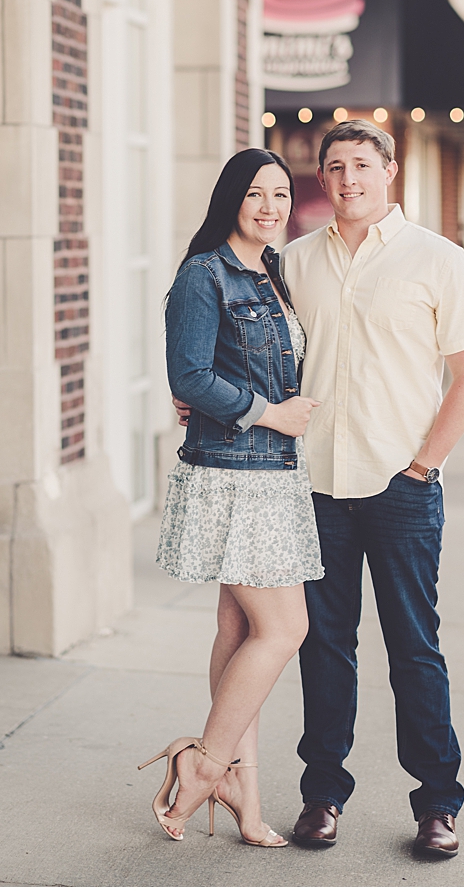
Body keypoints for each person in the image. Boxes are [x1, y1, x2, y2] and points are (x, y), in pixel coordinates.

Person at [282, 119, 464, 858]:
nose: (348, 179)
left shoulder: (437, 260)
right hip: (314, 485)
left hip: (400, 485)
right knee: (324, 648)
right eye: (335, 167)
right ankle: (321, 796)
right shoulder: (294, 262)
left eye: (361, 165)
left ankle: (438, 803)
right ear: (323, 178)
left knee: (414, 648)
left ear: (391, 170)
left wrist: (424, 464)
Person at [141, 148, 323, 847]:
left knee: (243, 631)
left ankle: (245, 797)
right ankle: (202, 764)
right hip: (235, 472)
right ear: (231, 199)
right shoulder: (204, 273)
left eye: (280, 194)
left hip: (273, 473)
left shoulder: (272, 271)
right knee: (284, 629)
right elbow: (187, 372)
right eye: (255, 193)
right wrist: (267, 412)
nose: (270, 206)